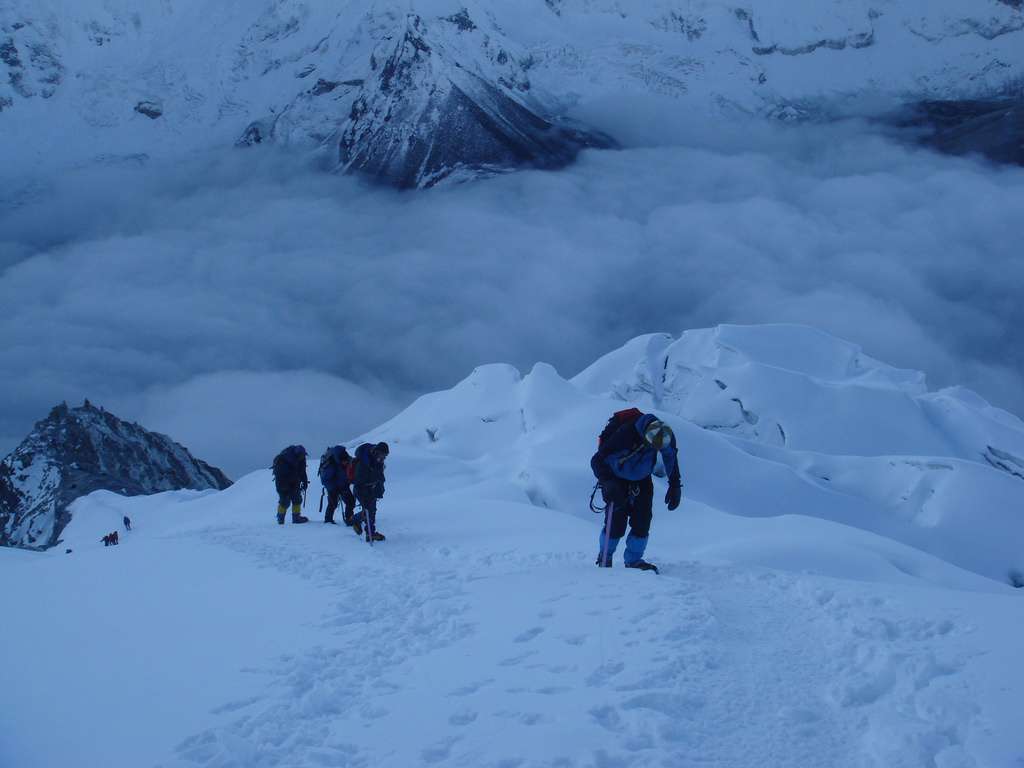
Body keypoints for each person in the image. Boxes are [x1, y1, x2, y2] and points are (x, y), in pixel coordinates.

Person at [591, 411, 682, 573]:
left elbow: (670, 457)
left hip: (642, 478)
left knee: (643, 520)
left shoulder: (664, 435)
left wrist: (674, 485)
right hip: (615, 478)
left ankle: (634, 560)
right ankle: (605, 556)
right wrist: (607, 482)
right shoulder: (625, 434)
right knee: (616, 522)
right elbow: (597, 460)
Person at [351, 442, 389, 541]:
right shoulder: (363, 462)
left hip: (370, 489)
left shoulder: (378, 462)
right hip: (360, 489)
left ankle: (356, 520)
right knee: (369, 510)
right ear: (376, 452)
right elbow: (359, 481)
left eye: (385, 456)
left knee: (370, 510)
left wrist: (379, 488)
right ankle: (370, 534)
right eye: (382, 455)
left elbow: (379, 476)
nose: (383, 458)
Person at [272, 445, 310, 525]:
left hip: (294, 481)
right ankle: (280, 518)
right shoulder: (285, 460)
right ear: (298, 454)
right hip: (282, 482)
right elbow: (281, 475)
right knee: (284, 501)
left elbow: (302, 471)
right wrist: (285, 487)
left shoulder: (301, 460)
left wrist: (305, 481)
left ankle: (296, 518)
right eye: (302, 455)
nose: (303, 457)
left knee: (297, 499)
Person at [318, 445, 356, 526]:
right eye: (344, 462)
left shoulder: (346, 458)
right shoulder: (331, 464)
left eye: (346, 462)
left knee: (351, 501)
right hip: (333, 487)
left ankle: (349, 518)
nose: (345, 463)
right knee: (333, 503)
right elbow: (326, 479)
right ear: (340, 460)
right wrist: (333, 488)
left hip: (343, 484)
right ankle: (328, 520)